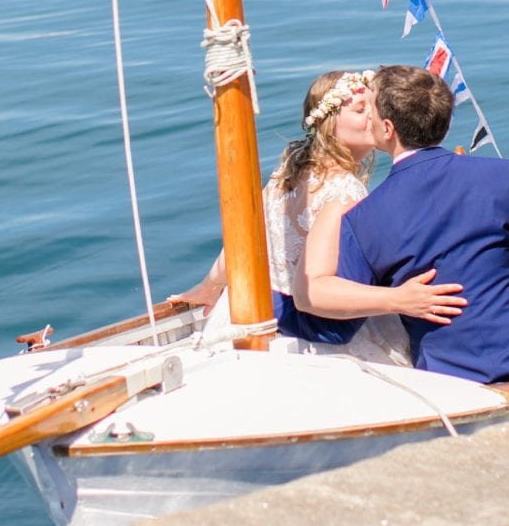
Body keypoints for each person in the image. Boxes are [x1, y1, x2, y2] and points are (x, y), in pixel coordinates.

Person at [295, 66, 509, 383]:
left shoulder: (363, 217)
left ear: (387, 129)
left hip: (448, 376)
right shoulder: (500, 175)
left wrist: (279, 308)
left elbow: (339, 325)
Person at [170, 68, 465, 365]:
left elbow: (244, 242)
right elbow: (322, 284)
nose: (372, 118)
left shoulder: (284, 175)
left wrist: (209, 287)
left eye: (372, 108)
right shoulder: (345, 191)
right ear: (329, 123)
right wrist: (401, 298)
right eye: (360, 109)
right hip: (315, 335)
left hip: (252, 320)